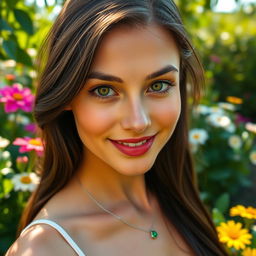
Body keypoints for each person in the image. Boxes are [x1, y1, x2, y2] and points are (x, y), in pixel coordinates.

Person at [6, 0, 228, 255]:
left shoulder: (179, 204)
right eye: (104, 90)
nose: (138, 122)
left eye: (158, 86)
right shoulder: (46, 249)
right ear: (66, 96)